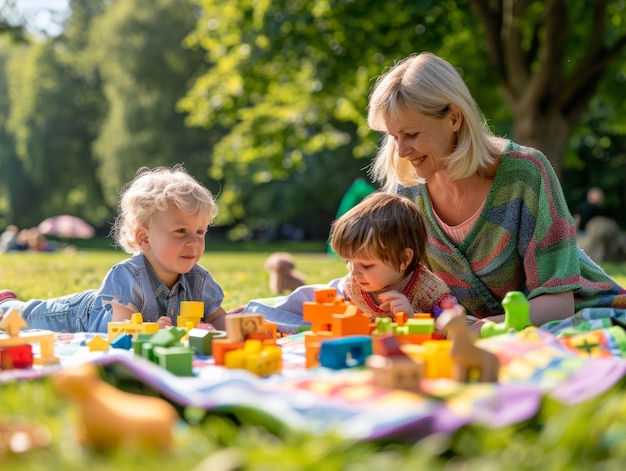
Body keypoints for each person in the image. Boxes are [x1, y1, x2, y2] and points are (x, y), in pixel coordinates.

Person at [366, 51, 626, 333]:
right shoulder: (408, 193)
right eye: (394, 137)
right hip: (498, 337)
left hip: (586, 319)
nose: (402, 151)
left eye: (412, 135)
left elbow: (558, 304)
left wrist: (481, 329)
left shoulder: (524, 174)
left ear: (454, 118)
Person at [0, 165, 228, 332]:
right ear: (144, 237)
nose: (194, 242)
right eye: (181, 231)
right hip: (81, 314)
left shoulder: (199, 280)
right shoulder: (128, 275)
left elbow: (218, 318)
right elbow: (120, 330)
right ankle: (7, 303)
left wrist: (238, 329)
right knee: (25, 318)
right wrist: (151, 331)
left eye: (200, 232)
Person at [329, 191, 456, 321]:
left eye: (366, 265)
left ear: (404, 259)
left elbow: (451, 327)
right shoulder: (353, 287)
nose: (354, 273)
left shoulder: (429, 292)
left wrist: (412, 318)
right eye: (349, 261)